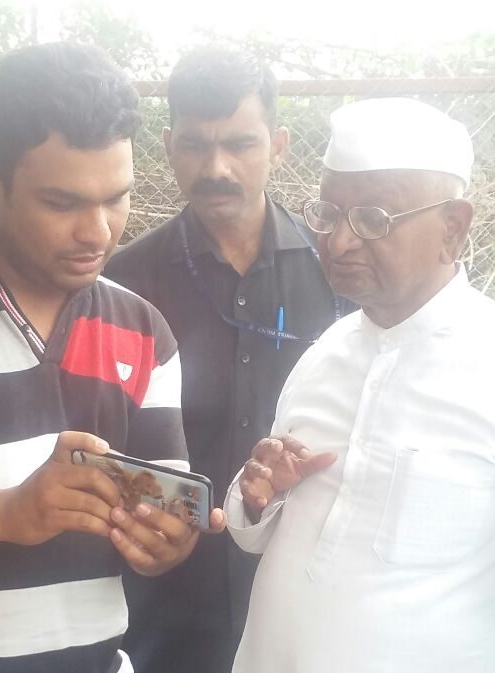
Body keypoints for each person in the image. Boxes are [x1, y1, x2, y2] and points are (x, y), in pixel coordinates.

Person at [0, 42, 224, 673]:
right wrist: (6, 513)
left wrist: (164, 543)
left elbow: (163, 524)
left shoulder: (144, 330)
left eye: (117, 197)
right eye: (63, 203)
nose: (99, 232)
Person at [225, 96, 495, 673]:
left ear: (452, 228)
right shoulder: (324, 353)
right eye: (328, 213)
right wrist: (258, 495)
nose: (340, 241)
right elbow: (259, 531)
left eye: (374, 219)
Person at [105, 47, 347, 673]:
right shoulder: (123, 288)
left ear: (279, 146)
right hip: (165, 608)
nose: (216, 168)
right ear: (167, 147)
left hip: (297, 602)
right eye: (194, 145)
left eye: (240, 144)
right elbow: (105, 440)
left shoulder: (336, 279)